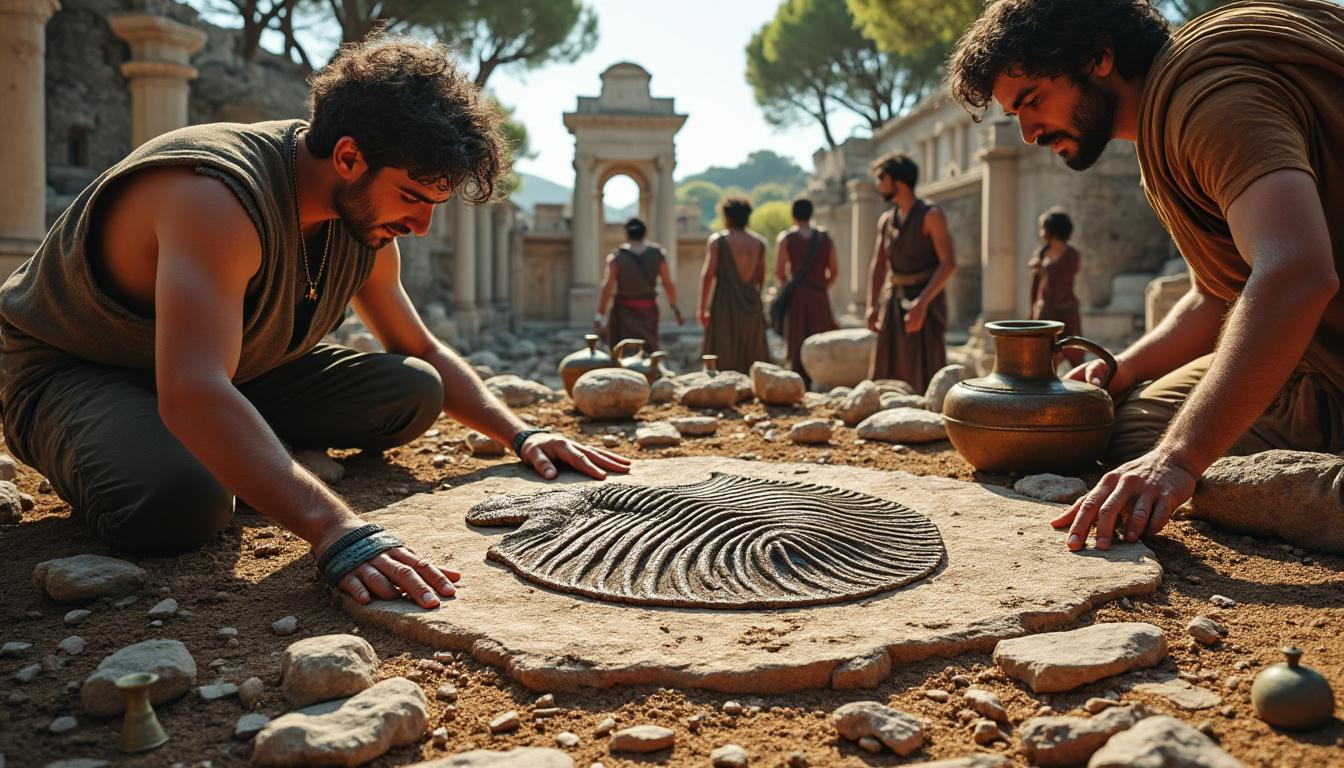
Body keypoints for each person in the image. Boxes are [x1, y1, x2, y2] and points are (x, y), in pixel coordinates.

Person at [0, 35, 630, 609]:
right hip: (74, 371)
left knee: (412, 390)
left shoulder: (360, 219)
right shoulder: (214, 197)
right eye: (413, 197)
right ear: (350, 157)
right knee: (182, 503)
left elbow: (420, 347)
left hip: (229, 367)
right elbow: (191, 390)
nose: (421, 225)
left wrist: (522, 435)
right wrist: (335, 528)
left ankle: (239, 448)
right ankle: (212, 452)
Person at [947, 0, 1343, 552]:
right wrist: (1123, 368)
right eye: (1015, 115)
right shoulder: (1170, 107)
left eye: (1032, 101)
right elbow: (1217, 293)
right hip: (1311, 352)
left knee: (1166, 451)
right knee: (1129, 426)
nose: (1028, 133)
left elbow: (1297, 273)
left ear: (1099, 57)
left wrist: (1178, 459)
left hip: (1321, 352)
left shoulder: (1209, 101)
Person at [864, 153, 957, 391]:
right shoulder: (886, 220)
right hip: (894, 299)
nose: (878, 185)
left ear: (899, 182)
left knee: (924, 365)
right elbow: (879, 264)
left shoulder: (930, 215)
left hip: (926, 300)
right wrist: (872, 305)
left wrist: (922, 303)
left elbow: (948, 263)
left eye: (881, 179)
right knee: (888, 362)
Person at [699, 197, 770, 373]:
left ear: (727, 217)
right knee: (752, 352)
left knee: (723, 351)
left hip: (724, 303)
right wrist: (756, 301)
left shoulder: (718, 241)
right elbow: (761, 277)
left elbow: (708, 275)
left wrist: (702, 308)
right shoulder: (759, 243)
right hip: (751, 302)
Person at [774, 198, 838, 389]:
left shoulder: (786, 238)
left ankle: (798, 383)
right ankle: (824, 382)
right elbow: (834, 271)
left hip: (797, 298)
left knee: (797, 340)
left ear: (793, 215)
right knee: (821, 338)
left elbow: (779, 273)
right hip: (819, 296)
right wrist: (820, 286)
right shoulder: (825, 238)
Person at [595, 217, 683, 352]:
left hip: (623, 312)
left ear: (626, 235)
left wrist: (599, 315)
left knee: (621, 352)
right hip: (648, 312)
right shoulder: (658, 254)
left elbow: (607, 287)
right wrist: (675, 308)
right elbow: (668, 283)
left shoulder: (616, 257)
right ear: (645, 233)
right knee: (649, 351)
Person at [1028, 207, 1084, 368]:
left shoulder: (1072, 255)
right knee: (1045, 361)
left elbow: (1061, 284)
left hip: (1066, 314)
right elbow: (1036, 288)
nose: (1040, 233)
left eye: (1043, 228)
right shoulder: (1042, 252)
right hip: (1045, 315)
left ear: (1051, 230)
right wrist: (1033, 311)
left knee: (1075, 356)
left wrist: (1044, 270)